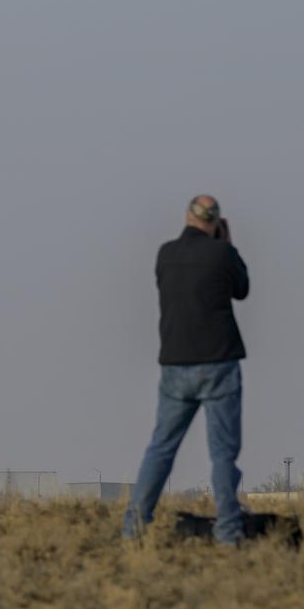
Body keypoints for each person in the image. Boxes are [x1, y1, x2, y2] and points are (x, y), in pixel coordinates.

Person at [123, 195, 251, 544]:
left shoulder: (166, 254)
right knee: (222, 453)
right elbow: (242, 290)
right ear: (216, 221)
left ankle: (133, 527)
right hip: (219, 362)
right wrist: (227, 246)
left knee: (161, 447)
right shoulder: (222, 253)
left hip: (175, 363)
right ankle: (228, 532)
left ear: (187, 217)